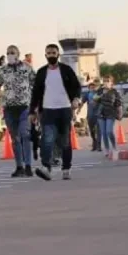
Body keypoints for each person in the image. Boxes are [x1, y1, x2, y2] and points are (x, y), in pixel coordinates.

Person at [29, 44, 81, 181]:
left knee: (65, 141)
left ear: (58, 54)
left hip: (64, 109)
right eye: (49, 53)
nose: (51, 55)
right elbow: (35, 93)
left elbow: (76, 86)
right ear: (45, 55)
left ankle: (66, 168)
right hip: (47, 111)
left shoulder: (66, 70)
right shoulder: (41, 72)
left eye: (54, 52)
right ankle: (46, 167)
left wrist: (76, 99)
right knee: (47, 140)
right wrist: (32, 112)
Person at [0, 45, 36, 177]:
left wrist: (36, 105)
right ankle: (19, 166)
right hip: (9, 108)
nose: (10, 55)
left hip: (24, 107)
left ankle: (28, 165)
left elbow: (36, 85)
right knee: (15, 139)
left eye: (12, 53)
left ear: (18, 54)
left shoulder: (27, 68)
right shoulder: (3, 70)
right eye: (8, 53)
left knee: (25, 135)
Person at [96, 75, 123, 159]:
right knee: (103, 133)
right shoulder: (100, 91)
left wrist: (120, 113)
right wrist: (101, 95)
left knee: (109, 131)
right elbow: (94, 99)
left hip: (111, 114)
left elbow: (119, 104)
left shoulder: (115, 92)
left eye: (108, 81)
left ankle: (114, 147)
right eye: (104, 81)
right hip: (101, 114)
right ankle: (107, 149)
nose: (106, 82)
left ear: (111, 83)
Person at [81, 80, 101, 151]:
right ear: (88, 88)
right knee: (92, 131)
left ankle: (99, 146)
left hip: (98, 115)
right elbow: (82, 102)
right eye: (90, 87)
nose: (92, 88)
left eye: (93, 87)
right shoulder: (87, 94)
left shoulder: (98, 94)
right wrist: (78, 110)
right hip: (90, 115)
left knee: (98, 130)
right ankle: (94, 143)